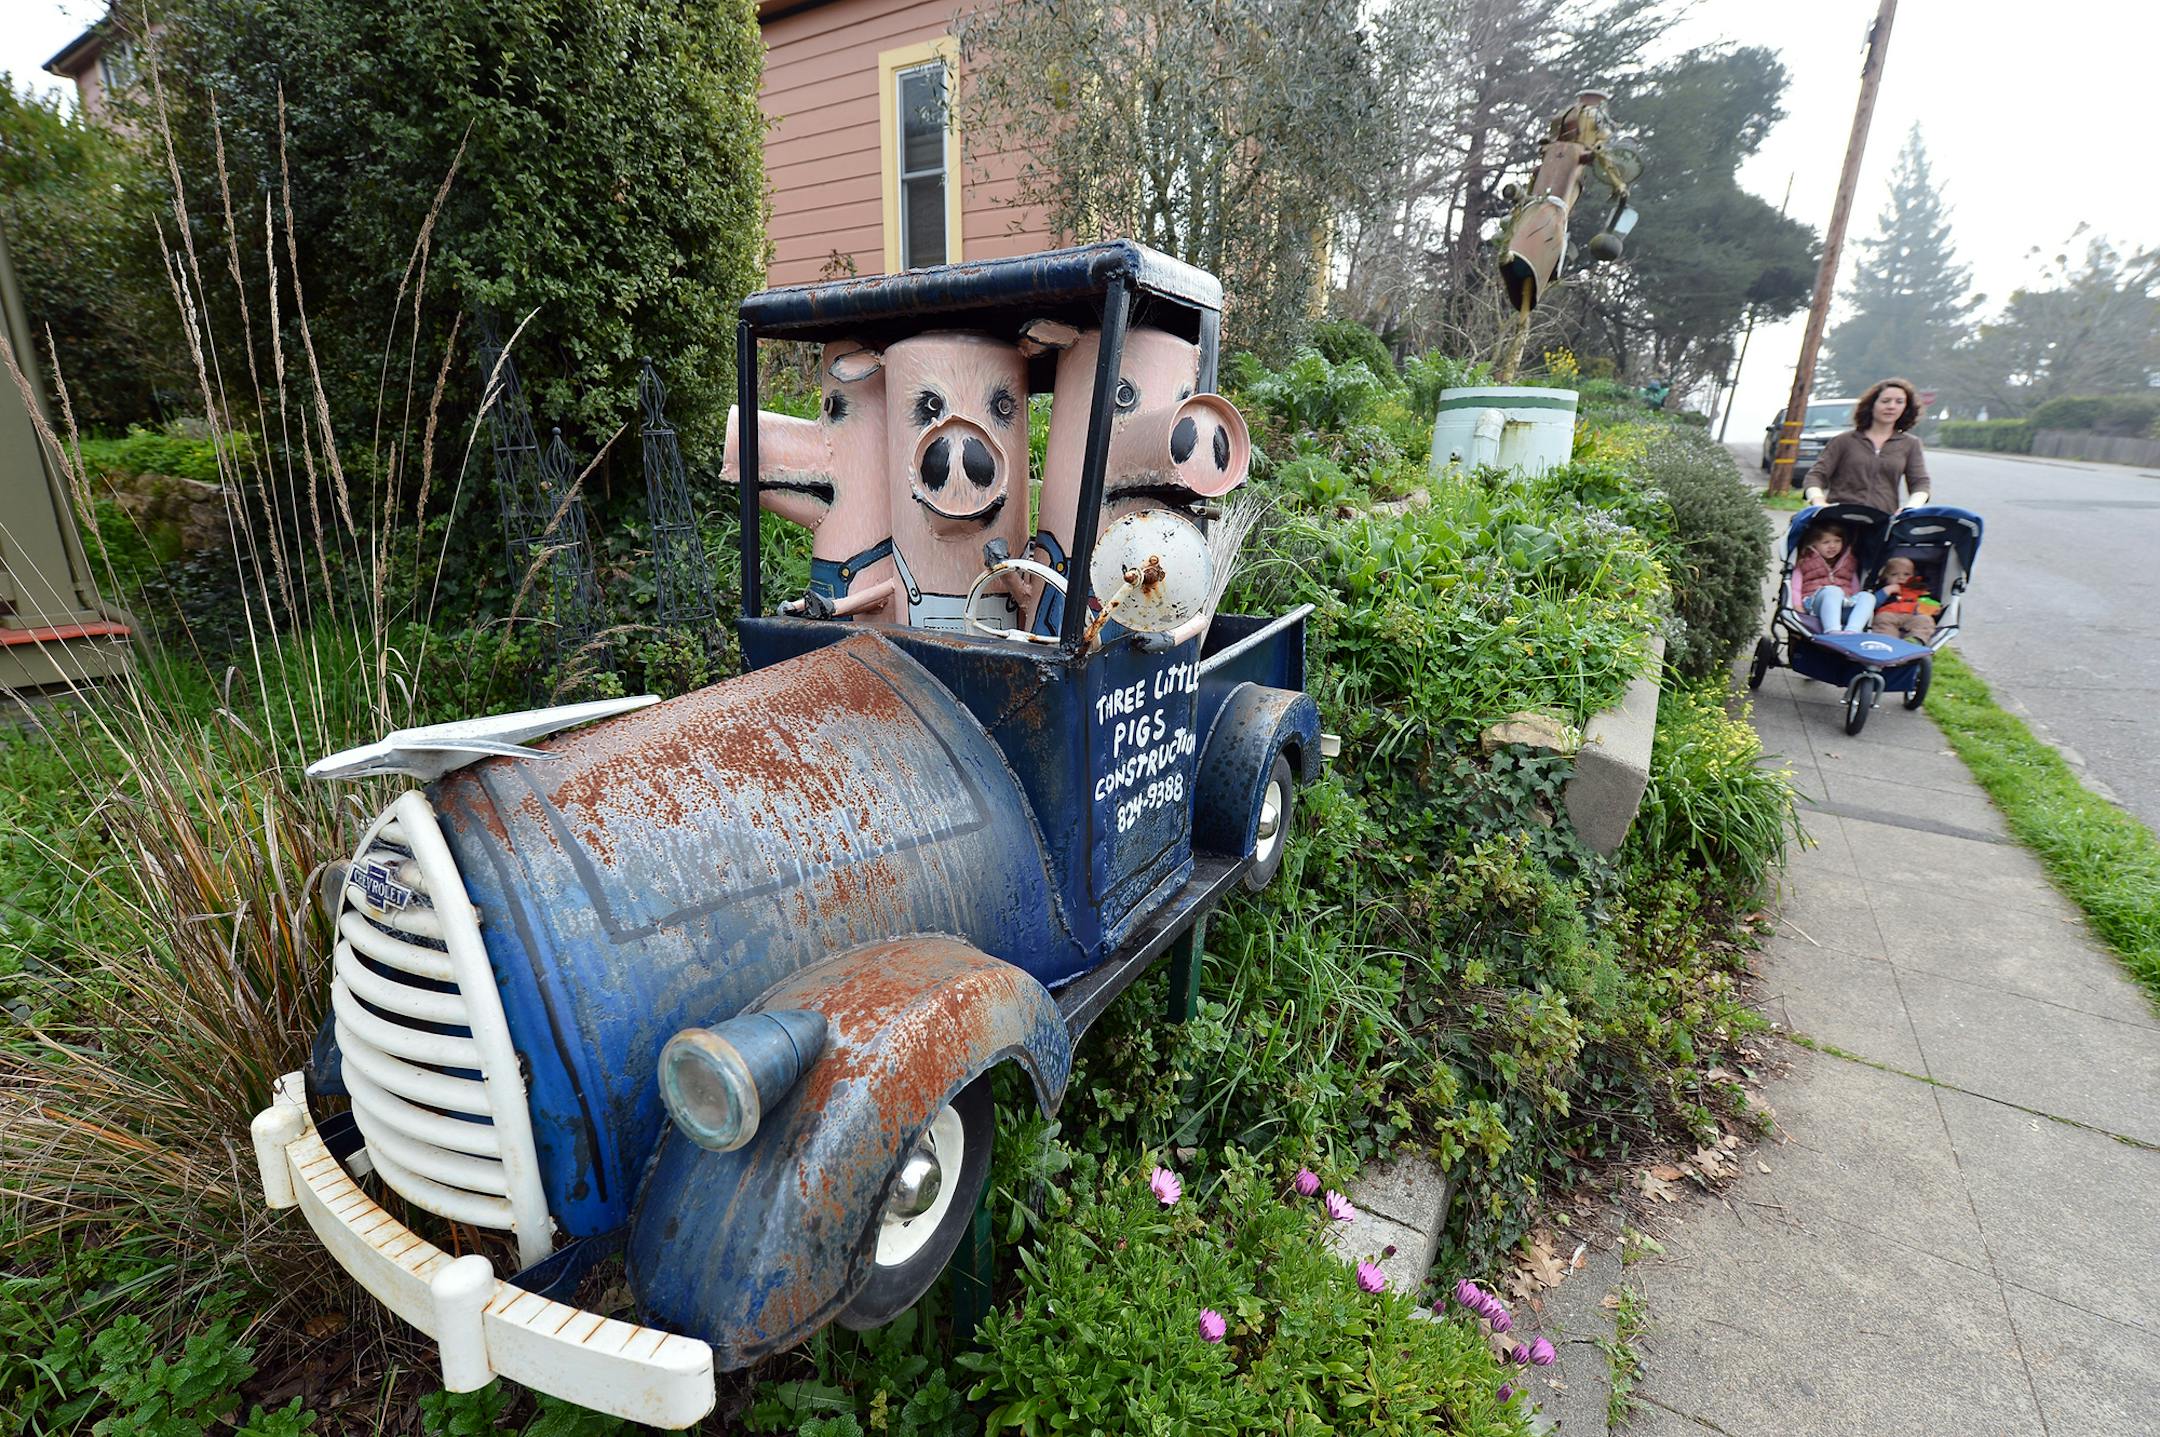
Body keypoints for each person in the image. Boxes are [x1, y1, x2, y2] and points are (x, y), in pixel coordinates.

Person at [1802, 377, 1933, 512]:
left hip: (1882, 521)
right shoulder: (1843, 441)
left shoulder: (1911, 444)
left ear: (1906, 408)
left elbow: (1920, 483)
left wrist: (1911, 507)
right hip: (1839, 521)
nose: (1891, 406)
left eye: (1899, 402)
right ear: (1871, 405)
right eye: (1885, 401)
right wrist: (1818, 501)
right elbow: (1815, 476)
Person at [1796, 525, 1875, 633]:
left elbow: (1854, 586)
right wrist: (1797, 605)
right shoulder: (1805, 561)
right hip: (1815, 604)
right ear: (1813, 544)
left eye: (1837, 541)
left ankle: (1852, 631)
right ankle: (1833, 631)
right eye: (1826, 542)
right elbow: (1795, 587)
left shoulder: (1849, 562)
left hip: (1844, 603)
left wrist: (1854, 599)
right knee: (1833, 590)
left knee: (1868, 596)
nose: (1832, 546)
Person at [1868, 555, 1940, 643]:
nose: (1901, 577)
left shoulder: (1918, 589)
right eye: (1894, 574)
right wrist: (1886, 591)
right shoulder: (1882, 588)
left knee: (1925, 620)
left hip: (1913, 615)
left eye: (1906, 574)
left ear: (1913, 575)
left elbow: (1929, 600)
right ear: (1885, 577)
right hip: (1889, 614)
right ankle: (1887, 641)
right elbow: (1870, 603)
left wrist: (1934, 608)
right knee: (1882, 619)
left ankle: (1915, 640)